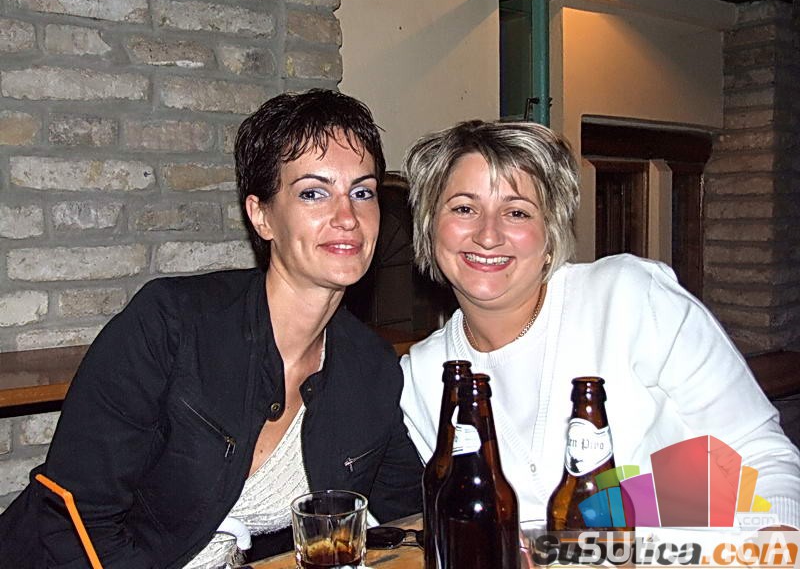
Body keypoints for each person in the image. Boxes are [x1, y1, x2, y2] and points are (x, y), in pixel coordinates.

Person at [0, 89, 423, 568]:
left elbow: (406, 515)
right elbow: (77, 517)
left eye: (362, 192)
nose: (347, 217)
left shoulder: (371, 368)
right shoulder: (171, 324)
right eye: (313, 192)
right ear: (261, 215)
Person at [399, 119, 800, 527]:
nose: (488, 235)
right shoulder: (423, 377)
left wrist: (777, 545)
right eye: (464, 208)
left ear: (551, 234)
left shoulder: (627, 299)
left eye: (517, 212)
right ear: (430, 225)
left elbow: (760, 455)